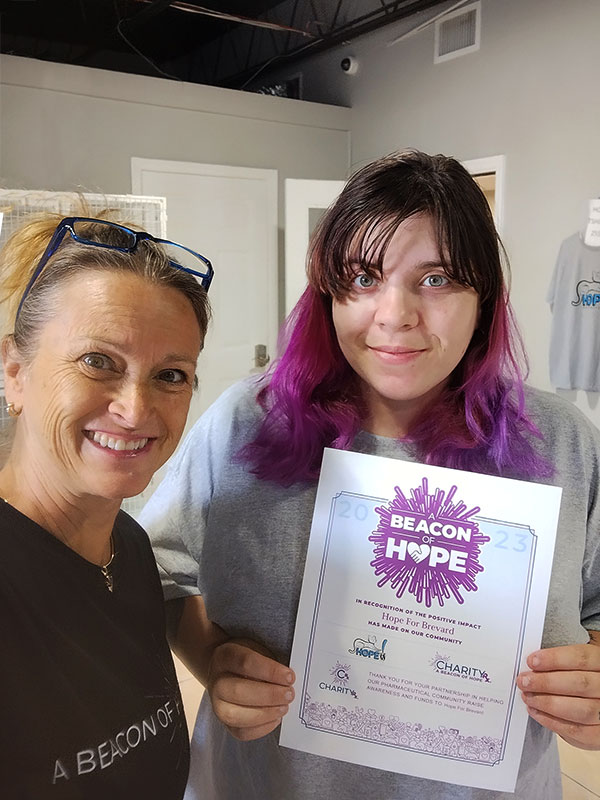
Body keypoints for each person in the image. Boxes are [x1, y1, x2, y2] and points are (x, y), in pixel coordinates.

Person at [140, 150, 600, 800]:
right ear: (328, 290)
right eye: (362, 276)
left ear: (485, 297)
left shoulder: (561, 444)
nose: (393, 313)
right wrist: (211, 659)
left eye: (436, 279)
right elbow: (154, 565)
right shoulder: (250, 422)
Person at [0, 214, 213, 799]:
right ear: (15, 373)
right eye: (99, 361)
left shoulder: (130, 548)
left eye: (171, 375)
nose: (135, 409)